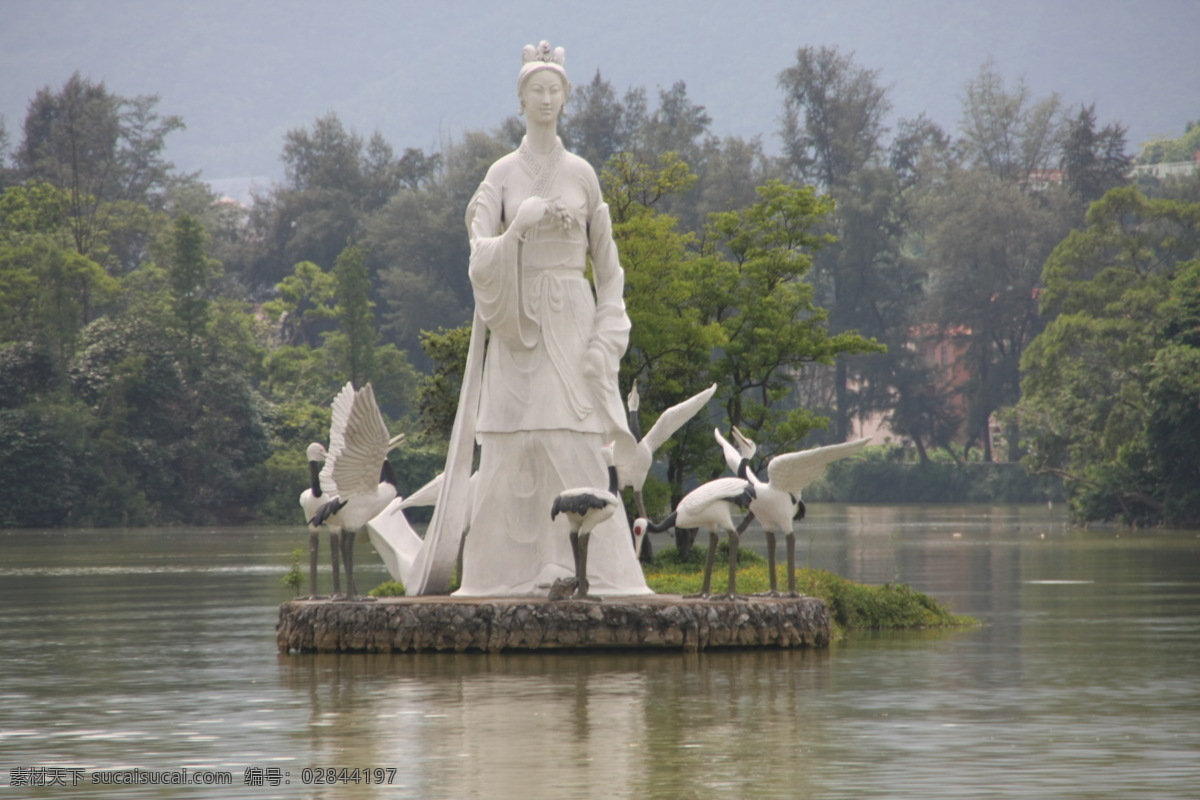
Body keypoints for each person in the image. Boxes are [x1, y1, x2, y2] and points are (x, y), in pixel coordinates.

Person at [414, 41, 650, 597]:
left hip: (572, 317)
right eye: (536, 91)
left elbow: (610, 271)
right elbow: (478, 250)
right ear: (520, 101)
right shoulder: (500, 174)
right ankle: (499, 576)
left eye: (554, 90)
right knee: (508, 443)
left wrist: (604, 342)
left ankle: (592, 573)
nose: (546, 99)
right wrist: (517, 228)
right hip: (520, 324)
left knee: (575, 440)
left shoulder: (583, 174)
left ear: (566, 99)